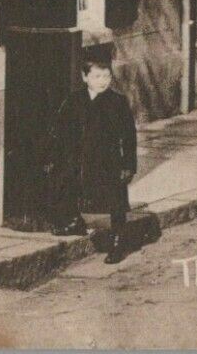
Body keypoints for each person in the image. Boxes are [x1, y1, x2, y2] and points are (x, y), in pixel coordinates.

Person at [49, 41, 138, 261]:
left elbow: (128, 136)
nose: (102, 82)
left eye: (106, 76)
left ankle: (118, 240)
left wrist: (128, 165)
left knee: (115, 199)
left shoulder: (117, 102)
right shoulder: (74, 100)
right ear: (84, 77)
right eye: (97, 77)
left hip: (108, 160)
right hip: (80, 159)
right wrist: (55, 156)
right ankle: (74, 222)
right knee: (68, 186)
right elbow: (60, 130)